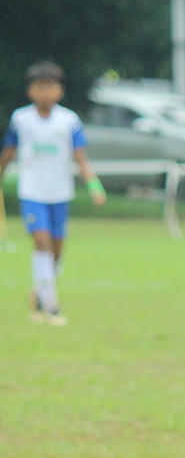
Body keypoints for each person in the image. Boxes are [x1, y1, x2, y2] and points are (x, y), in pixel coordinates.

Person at [0, 60, 105, 326]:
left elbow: (80, 157)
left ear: (59, 91)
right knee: (42, 244)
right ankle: (52, 308)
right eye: (39, 87)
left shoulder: (69, 121)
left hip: (60, 194)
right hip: (32, 192)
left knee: (56, 251)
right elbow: (8, 154)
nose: (45, 93)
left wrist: (94, 186)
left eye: (50, 87)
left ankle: (39, 294)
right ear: (31, 91)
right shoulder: (21, 119)